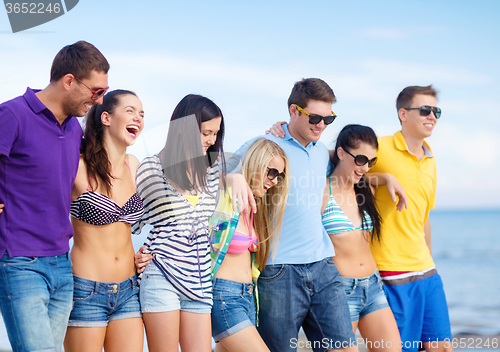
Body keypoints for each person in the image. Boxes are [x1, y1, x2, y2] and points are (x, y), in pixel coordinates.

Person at [229, 78, 358, 352]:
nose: (321, 125)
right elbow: (215, 170)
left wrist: (389, 179)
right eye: (314, 117)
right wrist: (231, 177)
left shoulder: (323, 152)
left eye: (328, 119)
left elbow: (353, 169)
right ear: (294, 110)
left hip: (324, 266)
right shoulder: (264, 143)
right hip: (279, 272)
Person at [0, 41, 109, 352]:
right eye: (96, 91)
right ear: (69, 81)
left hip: (62, 262)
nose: (99, 100)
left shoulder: (74, 129)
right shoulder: (12, 114)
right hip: (20, 261)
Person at [133, 94, 255, 352]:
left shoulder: (212, 171)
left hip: (200, 281)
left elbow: (252, 155)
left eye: (216, 133)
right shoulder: (151, 168)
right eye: (205, 133)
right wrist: (132, 254)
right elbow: (128, 223)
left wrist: (233, 177)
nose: (212, 140)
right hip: (161, 274)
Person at [367, 85, 453, 352]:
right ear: (403, 114)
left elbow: (423, 217)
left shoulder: (431, 159)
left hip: (426, 271)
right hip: (392, 271)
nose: (432, 117)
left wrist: (429, 257)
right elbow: (342, 168)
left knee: (442, 348)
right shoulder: (380, 146)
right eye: (425, 110)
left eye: (436, 111)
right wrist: (382, 177)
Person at [63, 90, 145, 352]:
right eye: (131, 111)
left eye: (142, 114)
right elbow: (37, 198)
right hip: (85, 289)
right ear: (106, 118)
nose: (139, 118)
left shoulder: (134, 164)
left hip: (129, 290)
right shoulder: (78, 167)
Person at [322, 124, 400, 352]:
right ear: (340, 153)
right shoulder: (321, 193)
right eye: (361, 159)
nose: (365, 167)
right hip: (340, 291)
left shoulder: (366, 189)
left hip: (373, 286)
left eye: (371, 162)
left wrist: (386, 177)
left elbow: (369, 176)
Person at [210, 138, 290, 352]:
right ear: (255, 162)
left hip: (248, 297)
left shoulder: (255, 209)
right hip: (223, 296)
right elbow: (198, 177)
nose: (274, 181)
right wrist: (231, 177)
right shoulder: (224, 197)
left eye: (279, 176)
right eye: (271, 172)